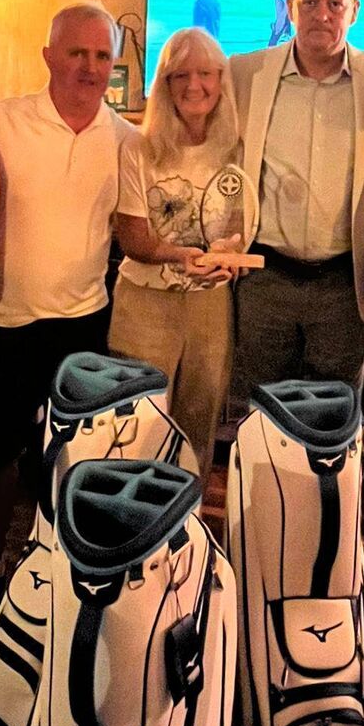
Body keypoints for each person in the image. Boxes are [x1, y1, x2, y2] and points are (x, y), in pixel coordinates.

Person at [0, 2, 134, 582]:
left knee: (68, 454)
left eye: (101, 55)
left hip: (84, 320)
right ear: (48, 56)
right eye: (76, 52)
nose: (89, 66)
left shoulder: (127, 139)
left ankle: (53, 561)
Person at [230, 0, 364, 392]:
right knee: (257, 410)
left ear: (354, 10)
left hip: (343, 286)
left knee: (331, 415)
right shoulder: (245, 73)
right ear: (288, 6)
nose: (322, 14)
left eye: (335, 4)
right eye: (309, 2)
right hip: (264, 279)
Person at [108, 27, 240, 477]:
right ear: (163, 84)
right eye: (179, 74)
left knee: (198, 423)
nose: (193, 85)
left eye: (205, 73)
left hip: (210, 303)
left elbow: (243, 225)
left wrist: (230, 250)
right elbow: (133, 239)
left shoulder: (236, 148)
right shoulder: (137, 146)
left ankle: (188, 527)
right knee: (138, 424)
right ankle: (136, 525)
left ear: (221, 80)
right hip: (145, 303)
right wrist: (182, 256)